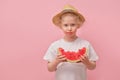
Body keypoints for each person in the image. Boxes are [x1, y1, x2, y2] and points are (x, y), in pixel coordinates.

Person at [43, 4, 99, 80]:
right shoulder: (55, 45)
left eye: (73, 25)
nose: (69, 28)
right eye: (65, 25)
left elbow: (93, 67)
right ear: (61, 26)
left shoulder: (85, 44)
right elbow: (50, 69)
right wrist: (56, 61)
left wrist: (87, 62)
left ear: (78, 25)